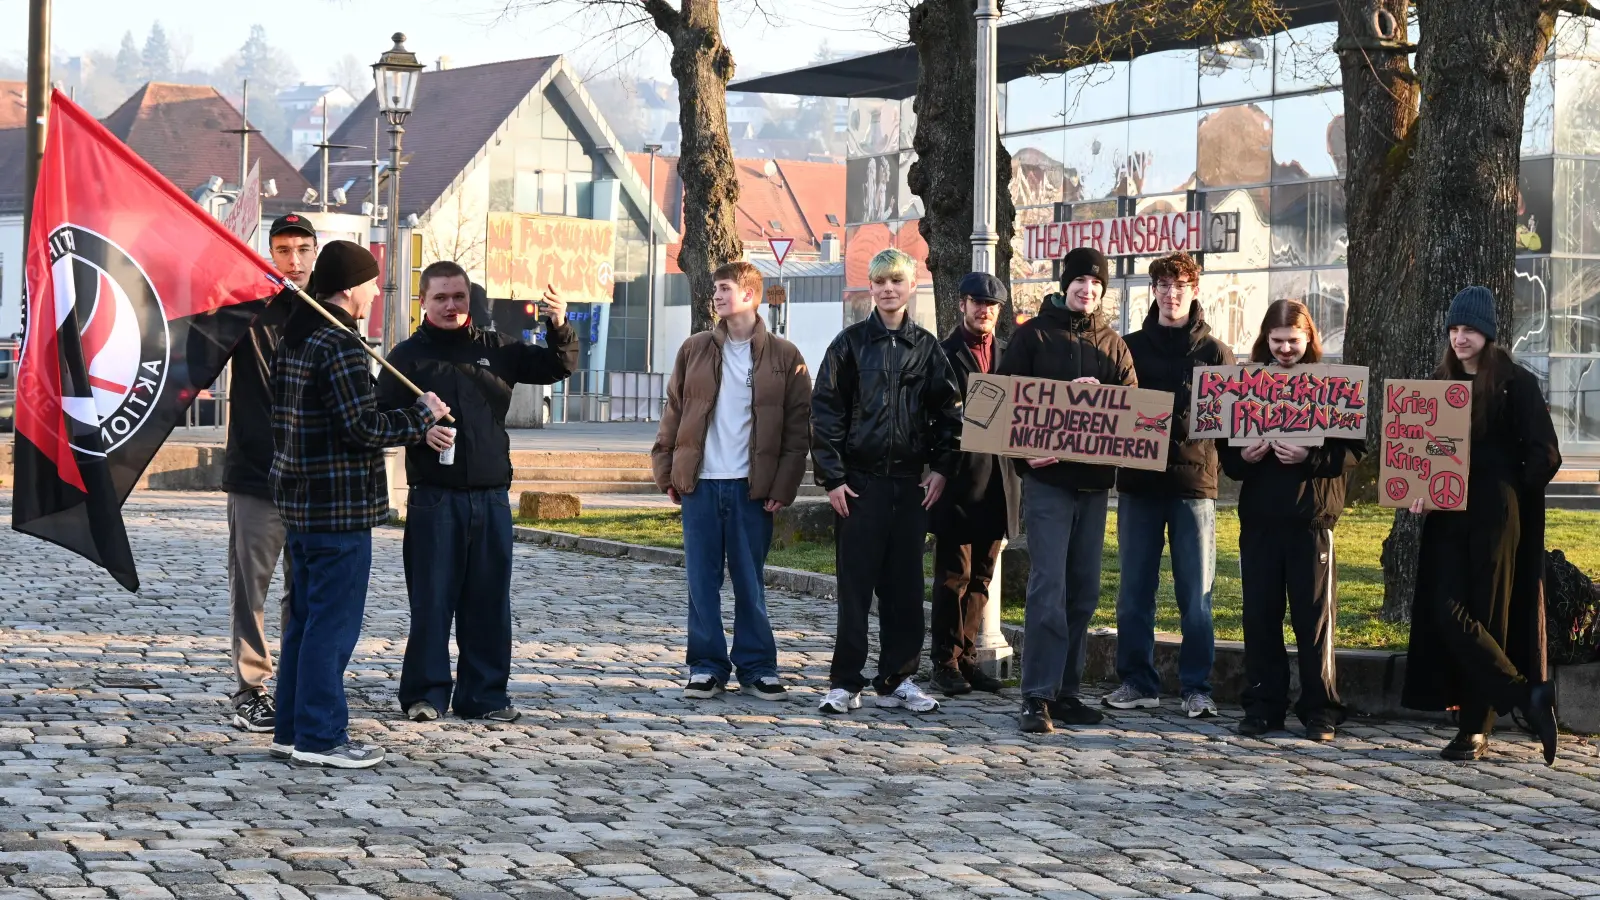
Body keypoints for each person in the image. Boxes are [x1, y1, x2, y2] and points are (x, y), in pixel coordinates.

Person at [270, 241, 448, 768]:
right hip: (337, 508)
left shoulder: (296, 337)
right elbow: (363, 427)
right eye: (372, 283)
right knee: (331, 625)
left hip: (300, 505)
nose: (377, 292)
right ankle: (321, 737)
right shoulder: (340, 344)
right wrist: (421, 417)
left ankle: (291, 728)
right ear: (349, 287)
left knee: (303, 621)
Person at [378, 261, 579, 724]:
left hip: (490, 497)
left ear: (470, 298)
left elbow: (557, 365)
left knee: (488, 602)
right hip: (434, 499)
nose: (451, 306)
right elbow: (377, 419)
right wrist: (416, 431)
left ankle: (484, 696)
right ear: (424, 302)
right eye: (441, 298)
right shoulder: (406, 357)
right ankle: (425, 694)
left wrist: (559, 324)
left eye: (459, 297)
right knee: (431, 600)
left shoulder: (497, 348)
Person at [1402, 286, 1561, 764]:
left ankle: (1475, 728)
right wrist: (1418, 489)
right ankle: (1524, 697)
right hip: (1449, 514)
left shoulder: (1516, 383)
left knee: (1489, 612)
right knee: (1445, 609)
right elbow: (1422, 452)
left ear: (1488, 333)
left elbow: (1546, 454)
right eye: (1454, 329)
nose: (1459, 338)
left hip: (1496, 514)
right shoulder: (1438, 385)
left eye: (1469, 329)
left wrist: (1510, 488)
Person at [651, 260, 812, 701]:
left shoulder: (785, 356)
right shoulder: (694, 349)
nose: (717, 296)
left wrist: (783, 487)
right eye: (715, 291)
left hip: (750, 488)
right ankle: (705, 666)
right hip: (701, 485)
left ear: (750, 295)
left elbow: (799, 430)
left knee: (749, 581)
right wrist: (666, 472)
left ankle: (758, 666)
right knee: (701, 582)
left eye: (725, 289)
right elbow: (674, 411)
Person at [811, 247, 961, 715]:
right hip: (860, 484)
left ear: (910, 286)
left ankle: (899, 678)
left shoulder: (928, 348)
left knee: (904, 588)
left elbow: (950, 413)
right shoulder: (849, 345)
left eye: (897, 281)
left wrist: (940, 467)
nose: (889, 289)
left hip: (909, 486)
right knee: (855, 587)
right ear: (870, 289)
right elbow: (826, 413)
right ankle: (845, 681)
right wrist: (833, 478)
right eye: (880, 282)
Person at [998, 247, 1137, 734]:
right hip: (1047, 481)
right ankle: (1036, 695)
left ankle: (1068, 691)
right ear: (1065, 284)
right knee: (1048, 589)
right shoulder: (1032, 335)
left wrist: (1102, 398)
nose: (1088, 290)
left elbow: (1136, 415)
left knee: (1083, 591)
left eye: (1097, 285)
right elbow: (998, 404)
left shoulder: (1114, 346)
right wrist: (1022, 454)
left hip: (1094, 485)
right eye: (1081, 281)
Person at [1219, 299, 1363, 742]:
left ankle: (1321, 709)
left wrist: (1310, 456)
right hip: (1260, 518)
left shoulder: (1332, 385)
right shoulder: (1246, 385)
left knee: (1313, 618)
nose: (1284, 350)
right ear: (1265, 339)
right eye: (1277, 342)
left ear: (1308, 340)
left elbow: (1353, 451)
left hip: (1311, 518)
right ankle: (1264, 705)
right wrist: (1244, 455)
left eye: (1293, 342)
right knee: (1260, 616)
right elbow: (1227, 455)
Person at [1105, 253, 1234, 718]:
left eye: (1180, 284)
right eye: (1163, 284)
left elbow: (1229, 421)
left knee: (1196, 595)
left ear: (1193, 290)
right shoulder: (1129, 346)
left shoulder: (1215, 352)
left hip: (1193, 484)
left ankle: (1197, 687)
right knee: (1133, 592)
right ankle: (1137, 681)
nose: (1172, 292)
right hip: (1139, 484)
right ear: (1153, 290)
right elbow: (1110, 406)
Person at [221, 213, 316, 733]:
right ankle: (251, 687)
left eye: (302, 249)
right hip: (255, 472)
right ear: (270, 254)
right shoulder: (248, 310)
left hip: (311, 478)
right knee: (250, 590)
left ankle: (297, 682)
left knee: (303, 590)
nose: (294, 260)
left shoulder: (330, 316)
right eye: (283, 249)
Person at [927, 272, 1020, 697]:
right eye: (976, 303)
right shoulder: (942, 354)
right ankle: (944, 661)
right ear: (962, 305)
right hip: (958, 481)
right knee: (953, 575)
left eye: (992, 305)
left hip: (999, 483)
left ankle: (967, 659)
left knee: (982, 576)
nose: (984, 311)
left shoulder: (1009, 354)